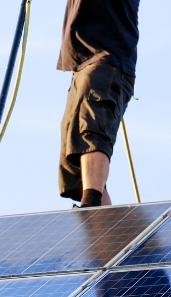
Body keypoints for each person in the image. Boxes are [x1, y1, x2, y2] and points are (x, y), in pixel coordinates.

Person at [57, 0, 140, 207]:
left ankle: (92, 204)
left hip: (106, 62)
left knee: (91, 132)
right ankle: (104, 228)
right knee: (74, 156)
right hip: (83, 66)